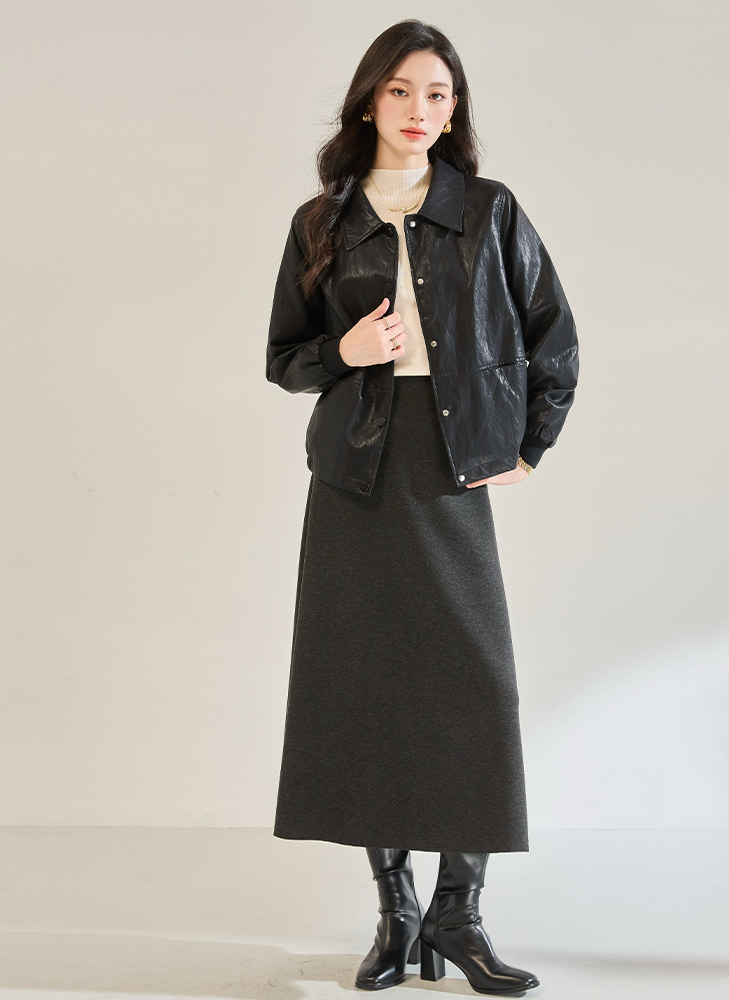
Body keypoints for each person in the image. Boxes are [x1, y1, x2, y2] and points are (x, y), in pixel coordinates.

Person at [265, 19, 578, 995]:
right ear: (370, 101)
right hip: (356, 473)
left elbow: (552, 333)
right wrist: (346, 352)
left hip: (448, 465)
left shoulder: (486, 210)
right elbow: (286, 358)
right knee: (368, 686)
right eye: (401, 91)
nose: (419, 110)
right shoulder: (321, 221)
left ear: (454, 110)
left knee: (473, 684)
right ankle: (396, 911)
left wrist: (529, 442)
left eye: (437, 94)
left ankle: (459, 911)